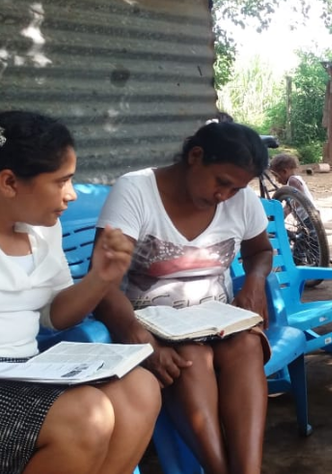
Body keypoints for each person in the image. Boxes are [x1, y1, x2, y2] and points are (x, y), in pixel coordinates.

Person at [93, 121, 273, 474]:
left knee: (247, 346)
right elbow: (102, 283)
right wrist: (138, 338)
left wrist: (254, 279)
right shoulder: (136, 191)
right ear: (195, 156)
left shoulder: (242, 201)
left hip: (219, 318)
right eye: (221, 182)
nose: (226, 196)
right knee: (190, 357)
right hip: (154, 323)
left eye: (236, 188)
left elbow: (260, 252)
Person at [0, 110, 161, 474]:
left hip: (28, 372)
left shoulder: (43, 231)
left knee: (141, 388)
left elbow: (55, 317)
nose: (71, 195)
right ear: (10, 182)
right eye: (61, 181)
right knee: (87, 414)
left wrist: (101, 278)